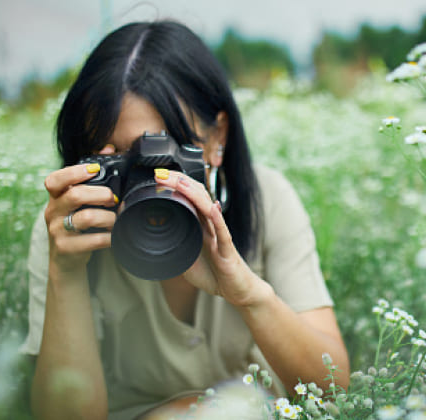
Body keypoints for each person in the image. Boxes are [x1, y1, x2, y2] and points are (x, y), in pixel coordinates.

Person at [23, 20, 350, 420]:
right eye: (120, 161)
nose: (150, 182)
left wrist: (245, 291)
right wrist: (66, 274)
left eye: (166, 158)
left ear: (218, 140)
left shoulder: (268, 200)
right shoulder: (69, 229)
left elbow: (335, 394)